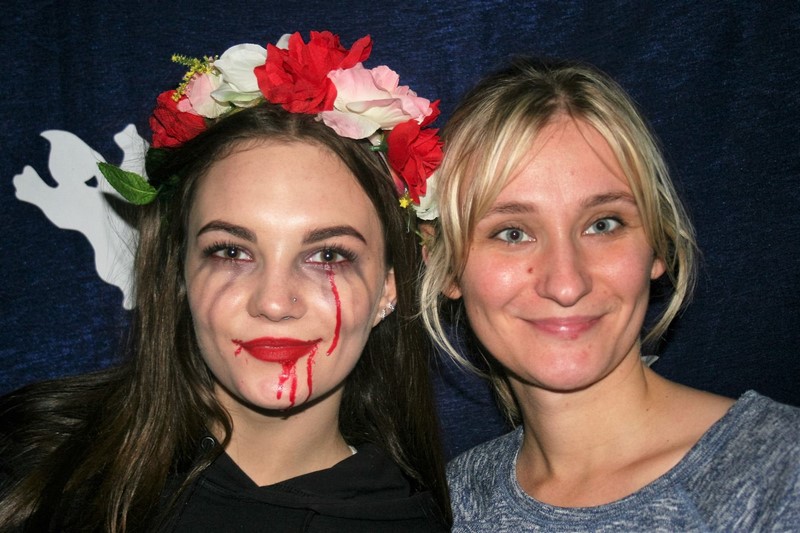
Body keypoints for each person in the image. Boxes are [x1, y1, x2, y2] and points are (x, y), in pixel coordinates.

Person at [0, 31, 450, 531]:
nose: (274, 302)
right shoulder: (32, 461)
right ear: (180, 269)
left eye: (327, 255)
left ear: (389, 287)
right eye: (232, 251)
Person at [420, 56, 800, 531]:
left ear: (657, 244)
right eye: (513, 233)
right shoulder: (450, 504)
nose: (566, 284)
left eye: (603, 224)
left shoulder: (781, 472)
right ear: (445, 265)